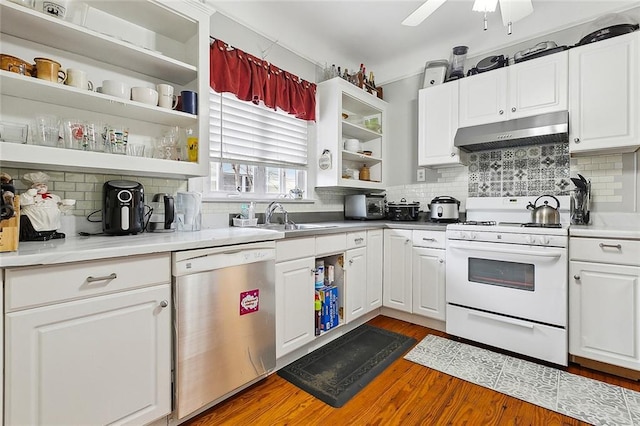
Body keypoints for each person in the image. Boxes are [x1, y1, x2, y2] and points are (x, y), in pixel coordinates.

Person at [19, 172, 74, 241]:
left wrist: (66, 206)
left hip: (52, 223)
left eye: (44, 184)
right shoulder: (29, 196)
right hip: (34, 223)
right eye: (39, 185)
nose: (42, 186)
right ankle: (34, 235)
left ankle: (51, 232)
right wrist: (29, 194)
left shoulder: (54, 197)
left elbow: (59, 209)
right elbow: (21, 201)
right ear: (32, 187)